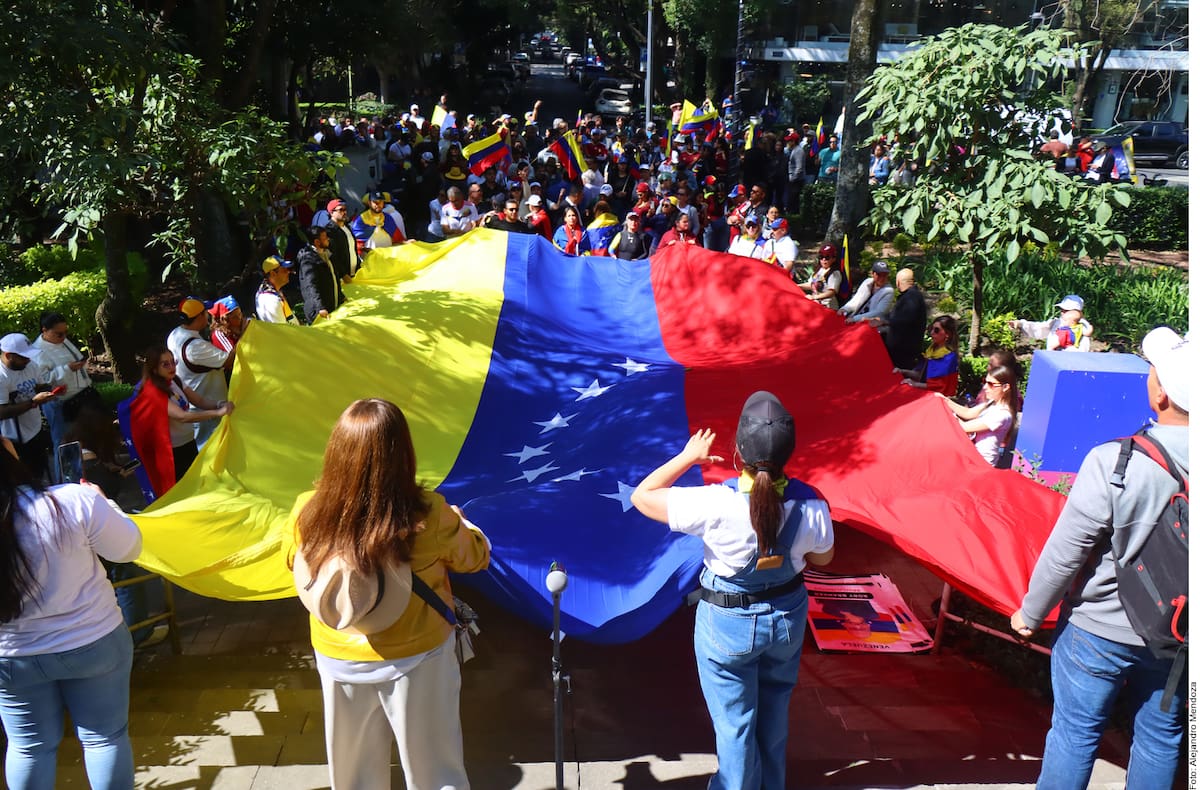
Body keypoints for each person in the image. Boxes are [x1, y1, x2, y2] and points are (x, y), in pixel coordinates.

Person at [1011, 326, 1189, 789]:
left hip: (1099, 629)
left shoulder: (1118, 461)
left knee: (1074, 734)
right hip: (1182, 638)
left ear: (1162, 396)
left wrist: (1031, 612)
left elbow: (1067, 552)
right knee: (1162, 738)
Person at [630, 391, 834, 790]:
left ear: (739, 450)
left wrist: (689, 456)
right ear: (788, 453)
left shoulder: (714, 504)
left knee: (735, 725)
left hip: (727, 624)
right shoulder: (812, 504)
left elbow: (642, 496)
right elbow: (824, 560)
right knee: (774, 715)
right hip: (786, 622)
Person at [283, 399, 491, 790]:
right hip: (417, 657)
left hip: (336, 655)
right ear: (402, 454)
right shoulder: (427, 515)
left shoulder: (306, 512)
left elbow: (292, 561)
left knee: (354, 776)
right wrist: (465, 523)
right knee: (435, 770)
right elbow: (475, 557)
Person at [0, 439, 143, 789]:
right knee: (105, 738)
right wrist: (104, 502)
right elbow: (127, 548)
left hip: (12, 657)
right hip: (94, 640)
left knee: (29, 748)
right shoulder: (72, 500)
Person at [130, 345, 234, 493]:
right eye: (165, 364)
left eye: (173, 362)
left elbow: (198, 400)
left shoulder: (174, 380)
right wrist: (217, 413)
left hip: (188, 443)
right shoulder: (152, 391)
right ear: (154, 368)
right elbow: (182, 416)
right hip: (172, 453)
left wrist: (218, 404)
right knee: (182, 491)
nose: (172, 367)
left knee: (195, 487)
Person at [33, 312, 100, 481]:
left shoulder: (62, 341)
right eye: (58, 334)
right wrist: (68, 368)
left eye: (65, 333)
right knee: (63, 443)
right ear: (45, 331)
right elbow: (43, 380)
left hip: (79, 395)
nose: (63, 337)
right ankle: (63, 481)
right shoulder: (39, 352)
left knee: (79, 439)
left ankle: (81, 477)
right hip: (59, 402)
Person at [166, 298, 232, 448]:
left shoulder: (175, 334)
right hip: (209, 407)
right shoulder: (196, 347)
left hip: (196, 402)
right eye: (205, 312)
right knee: (212, 449)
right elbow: (228, 361)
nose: (209, 314)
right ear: (200, 317)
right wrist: (243, 337)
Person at [0, 334, 57, 479]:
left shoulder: (30, 365)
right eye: (23, 357)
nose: (28, 359)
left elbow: (38, 385)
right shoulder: (2, 376)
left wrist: (48, 389)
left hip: (35, 430)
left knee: (39, 472)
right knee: (22, 479)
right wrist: (33, 403)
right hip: (14, 438)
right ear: (9, 355)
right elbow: (2, 412)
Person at [939, 364, 1017, 466]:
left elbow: (964, 427)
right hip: (973, 458)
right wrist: (944, 400)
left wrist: (947, 412)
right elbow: (968, 413)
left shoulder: (1002, 415)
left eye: (991, 384)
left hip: (982, 464)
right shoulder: (991, 403)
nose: (985, 387)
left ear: (1005, 387)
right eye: (985, 382)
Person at [873, 268, 927, 369]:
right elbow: (897, 315)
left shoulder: (912, 297)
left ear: (898, 282)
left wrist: (884, 321)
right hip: (902, 348)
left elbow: (906, 319)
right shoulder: (910, 296)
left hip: (904, 351)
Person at [896, 315, 959, 397]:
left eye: (936, 330)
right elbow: (921, 375)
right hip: (925, 395)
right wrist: (902, 371)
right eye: (931, 329)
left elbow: (938, 386)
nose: (932, 332)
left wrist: (915, 384)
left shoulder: (948, 357)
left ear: (947, 334)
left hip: (938, 400)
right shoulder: (931, 350)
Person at [1010, 294, 1093, 351]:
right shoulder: (1056, 322)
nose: (1062, 312)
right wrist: (1020, 324)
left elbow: (1082, 350)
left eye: (1066, 310)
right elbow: (1039, 328)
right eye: (1062, 310)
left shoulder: (1080, 328)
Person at [297, 226, 345, 323]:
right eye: (325, 237)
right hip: (320, 311)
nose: (328, 239)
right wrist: (320, 308)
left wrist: (340, 296)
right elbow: (311, 286)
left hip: (332, 306)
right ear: (317, 242)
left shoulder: (327, 254)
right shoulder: (308, 260)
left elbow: (333, 277)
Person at [256, 256, 300, 325]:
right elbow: (281, 330)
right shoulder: (269, 299)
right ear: (273, 274)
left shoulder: (274, 292)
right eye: (284, 270)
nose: (288, 272)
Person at [325, 199, 361, 284]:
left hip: (355, 274)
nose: (344, 212)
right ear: (331, 213)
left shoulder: (347, 227)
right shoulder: (330, 230)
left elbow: (352, 249)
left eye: (345, 209)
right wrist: (343, 274)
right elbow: (332, 255)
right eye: (341, 210)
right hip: (342, 278)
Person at [799, 244, 843, 309]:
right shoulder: (818, 270)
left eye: (827, 257)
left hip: (828, 307)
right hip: (815, 304)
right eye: (821, 257)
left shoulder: (835, 273)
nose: (824, 259)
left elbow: (832, 292)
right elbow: (811, 285)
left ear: (834, 259)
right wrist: (797, 286)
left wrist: (814, 297)